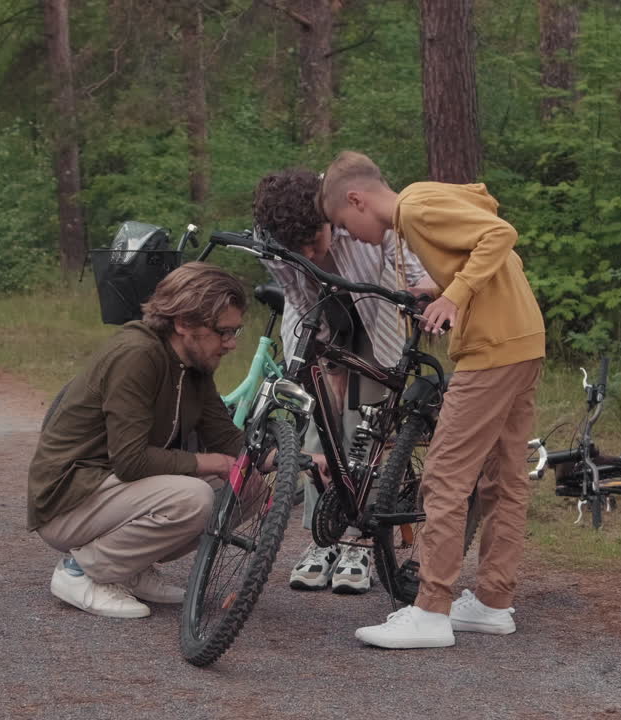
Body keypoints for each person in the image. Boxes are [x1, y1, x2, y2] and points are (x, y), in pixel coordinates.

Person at [318, 151, 545, 649]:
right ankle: (493, 602)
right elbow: (487, 229)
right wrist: (441, 283)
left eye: (343, 223)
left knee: (444, 476)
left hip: (492, 351)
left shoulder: (416, 208)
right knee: (504, 480)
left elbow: (500, 235)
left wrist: (454, 295)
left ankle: (430, 610)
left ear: (357, 200)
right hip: (522, 339)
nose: (350, 235)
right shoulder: (425, 200)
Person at [27, 262, 248, 619]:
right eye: (223, 332)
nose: (231, 343)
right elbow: (130, 461)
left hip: (115, 492)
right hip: (69, 498)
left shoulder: (195, 365)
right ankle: (80, 572)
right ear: (184, 323)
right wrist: (210, 463)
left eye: (235, 330)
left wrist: (298, 460)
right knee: (193, 498)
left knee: (249, 486)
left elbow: (227, 438)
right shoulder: (138, 354)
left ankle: (131, 568)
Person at [251, 169, 435, 595]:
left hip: (376, 316)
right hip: (318, 321)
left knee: (367, 420)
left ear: (328, 219)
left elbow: (413, 266)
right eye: (299, 251)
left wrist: (427, 298)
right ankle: (323, 537)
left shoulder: (355, 209)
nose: (311, 256)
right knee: (321, 425)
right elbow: (297, 294)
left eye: (315, 244)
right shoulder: (273, 236)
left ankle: (360, 543)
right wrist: (326, 363)